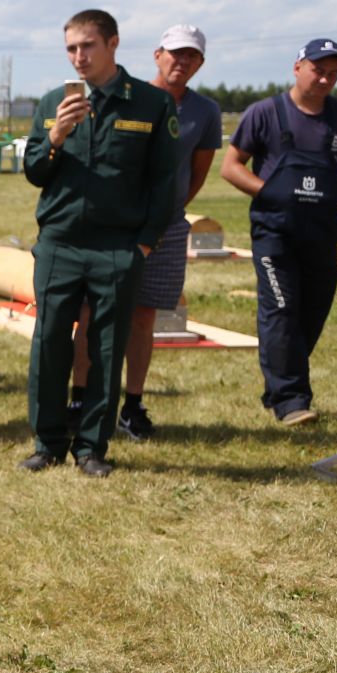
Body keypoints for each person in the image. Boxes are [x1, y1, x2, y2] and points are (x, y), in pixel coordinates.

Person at [20, 9, 180, 477]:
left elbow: (164, 182)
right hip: (60, 243)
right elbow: (34, 171)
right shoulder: (54, 101)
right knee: (49, 342)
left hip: (118, 247)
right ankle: (47, 442)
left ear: (113, 44)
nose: (78, 57)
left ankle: (92, 448)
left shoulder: (151, 104)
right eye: (70, 48)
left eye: (87, 46)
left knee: (107, 347)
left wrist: (144, 246)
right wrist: (55, 134)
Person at [69, 25, 223, 440]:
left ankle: (132, 406)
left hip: (166, 228)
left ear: (200, 64)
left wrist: (165, 212)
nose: (181, 62)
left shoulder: (205, 112)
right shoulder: (132, 98)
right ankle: (80, 400)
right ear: (157, 55)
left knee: (144, 316)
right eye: (174, 54)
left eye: (191, 56)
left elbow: (196, 173)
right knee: (89, 313)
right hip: (113, 223)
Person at [220, 37, 337, 426]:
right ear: (298, 67)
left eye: (333, 73)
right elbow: (231, 166)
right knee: (281, 309)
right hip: (276, 232)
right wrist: (270, 191)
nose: (324, 79)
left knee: (313, 311)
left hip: (323, 231)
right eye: (318, 70)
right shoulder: (265, 113)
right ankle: (291, 401)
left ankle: (278, 387)